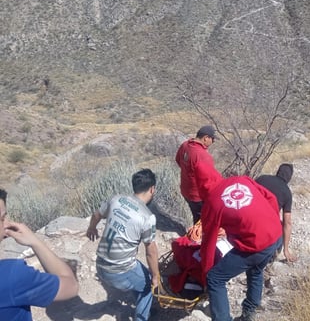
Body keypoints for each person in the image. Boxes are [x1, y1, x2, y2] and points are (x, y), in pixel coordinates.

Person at [195, 161, 283, 321]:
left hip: (257, 245)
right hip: (276, 235)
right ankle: (249, 314)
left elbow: (208, 244)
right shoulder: (241, 180)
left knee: (215, 278)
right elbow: (271, 198)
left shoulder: (211, 205)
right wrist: (273, 224)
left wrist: (206, 274)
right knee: (256, 270)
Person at [86, 169, 159, 321]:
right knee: (147, 286)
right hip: (119, 272)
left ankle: (137, 295)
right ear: (152, 189)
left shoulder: (116, 199)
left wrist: (91, 228)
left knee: (139, 272)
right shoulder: (147, 217)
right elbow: (151, 251)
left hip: (100, 264)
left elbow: (97, 214)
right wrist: (156, 276)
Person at [0, 188, 79, 320]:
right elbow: (71, 286)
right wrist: (35, 241)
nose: (7, 224)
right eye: (2, 219)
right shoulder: (11, 275)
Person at [175, 125, 218, 224]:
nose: (213, 142)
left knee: (196, 216)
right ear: (206, 138)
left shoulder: (185, 145)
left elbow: (178, 161)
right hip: (198, 196)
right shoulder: (203, 156)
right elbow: (210, 181)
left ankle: (196, 234)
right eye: (213, 139)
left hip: (186, 191)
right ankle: (199, 237)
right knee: (205, 220)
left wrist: (188, 173)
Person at [255, 163, 297, 263]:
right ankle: (271, 259)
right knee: (281, 226)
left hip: (248, 216)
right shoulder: (287, 193)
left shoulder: (262, 178)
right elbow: (287, 223)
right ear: (289, 177)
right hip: (266, 226)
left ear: (278, 172)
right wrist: (286, 250)